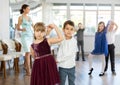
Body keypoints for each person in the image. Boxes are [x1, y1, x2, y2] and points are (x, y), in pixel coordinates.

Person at [56, 20, 78, 85]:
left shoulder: (74, 41)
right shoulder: (61, 39)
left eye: (71, 29)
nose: (69, 31)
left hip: (71, 67)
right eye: (67, 29)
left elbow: (69, 54)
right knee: (61, 82)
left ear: (74, 31)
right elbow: (52, 43)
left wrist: (58, 60)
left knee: (71, 82)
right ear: (63, 30)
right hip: (62, 67)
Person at [17, 4, 34, 76]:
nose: (29, 10)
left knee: (29, 52)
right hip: (25, 37)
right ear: (24, 9)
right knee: (27, 52)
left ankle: (26, 66)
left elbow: (33, 26)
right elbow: (17, 28)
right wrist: (22, 29)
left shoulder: (29, 17)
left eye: (29, 9)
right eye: (28, 9)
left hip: (31, 36)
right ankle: (28, 70)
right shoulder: (20, 17)